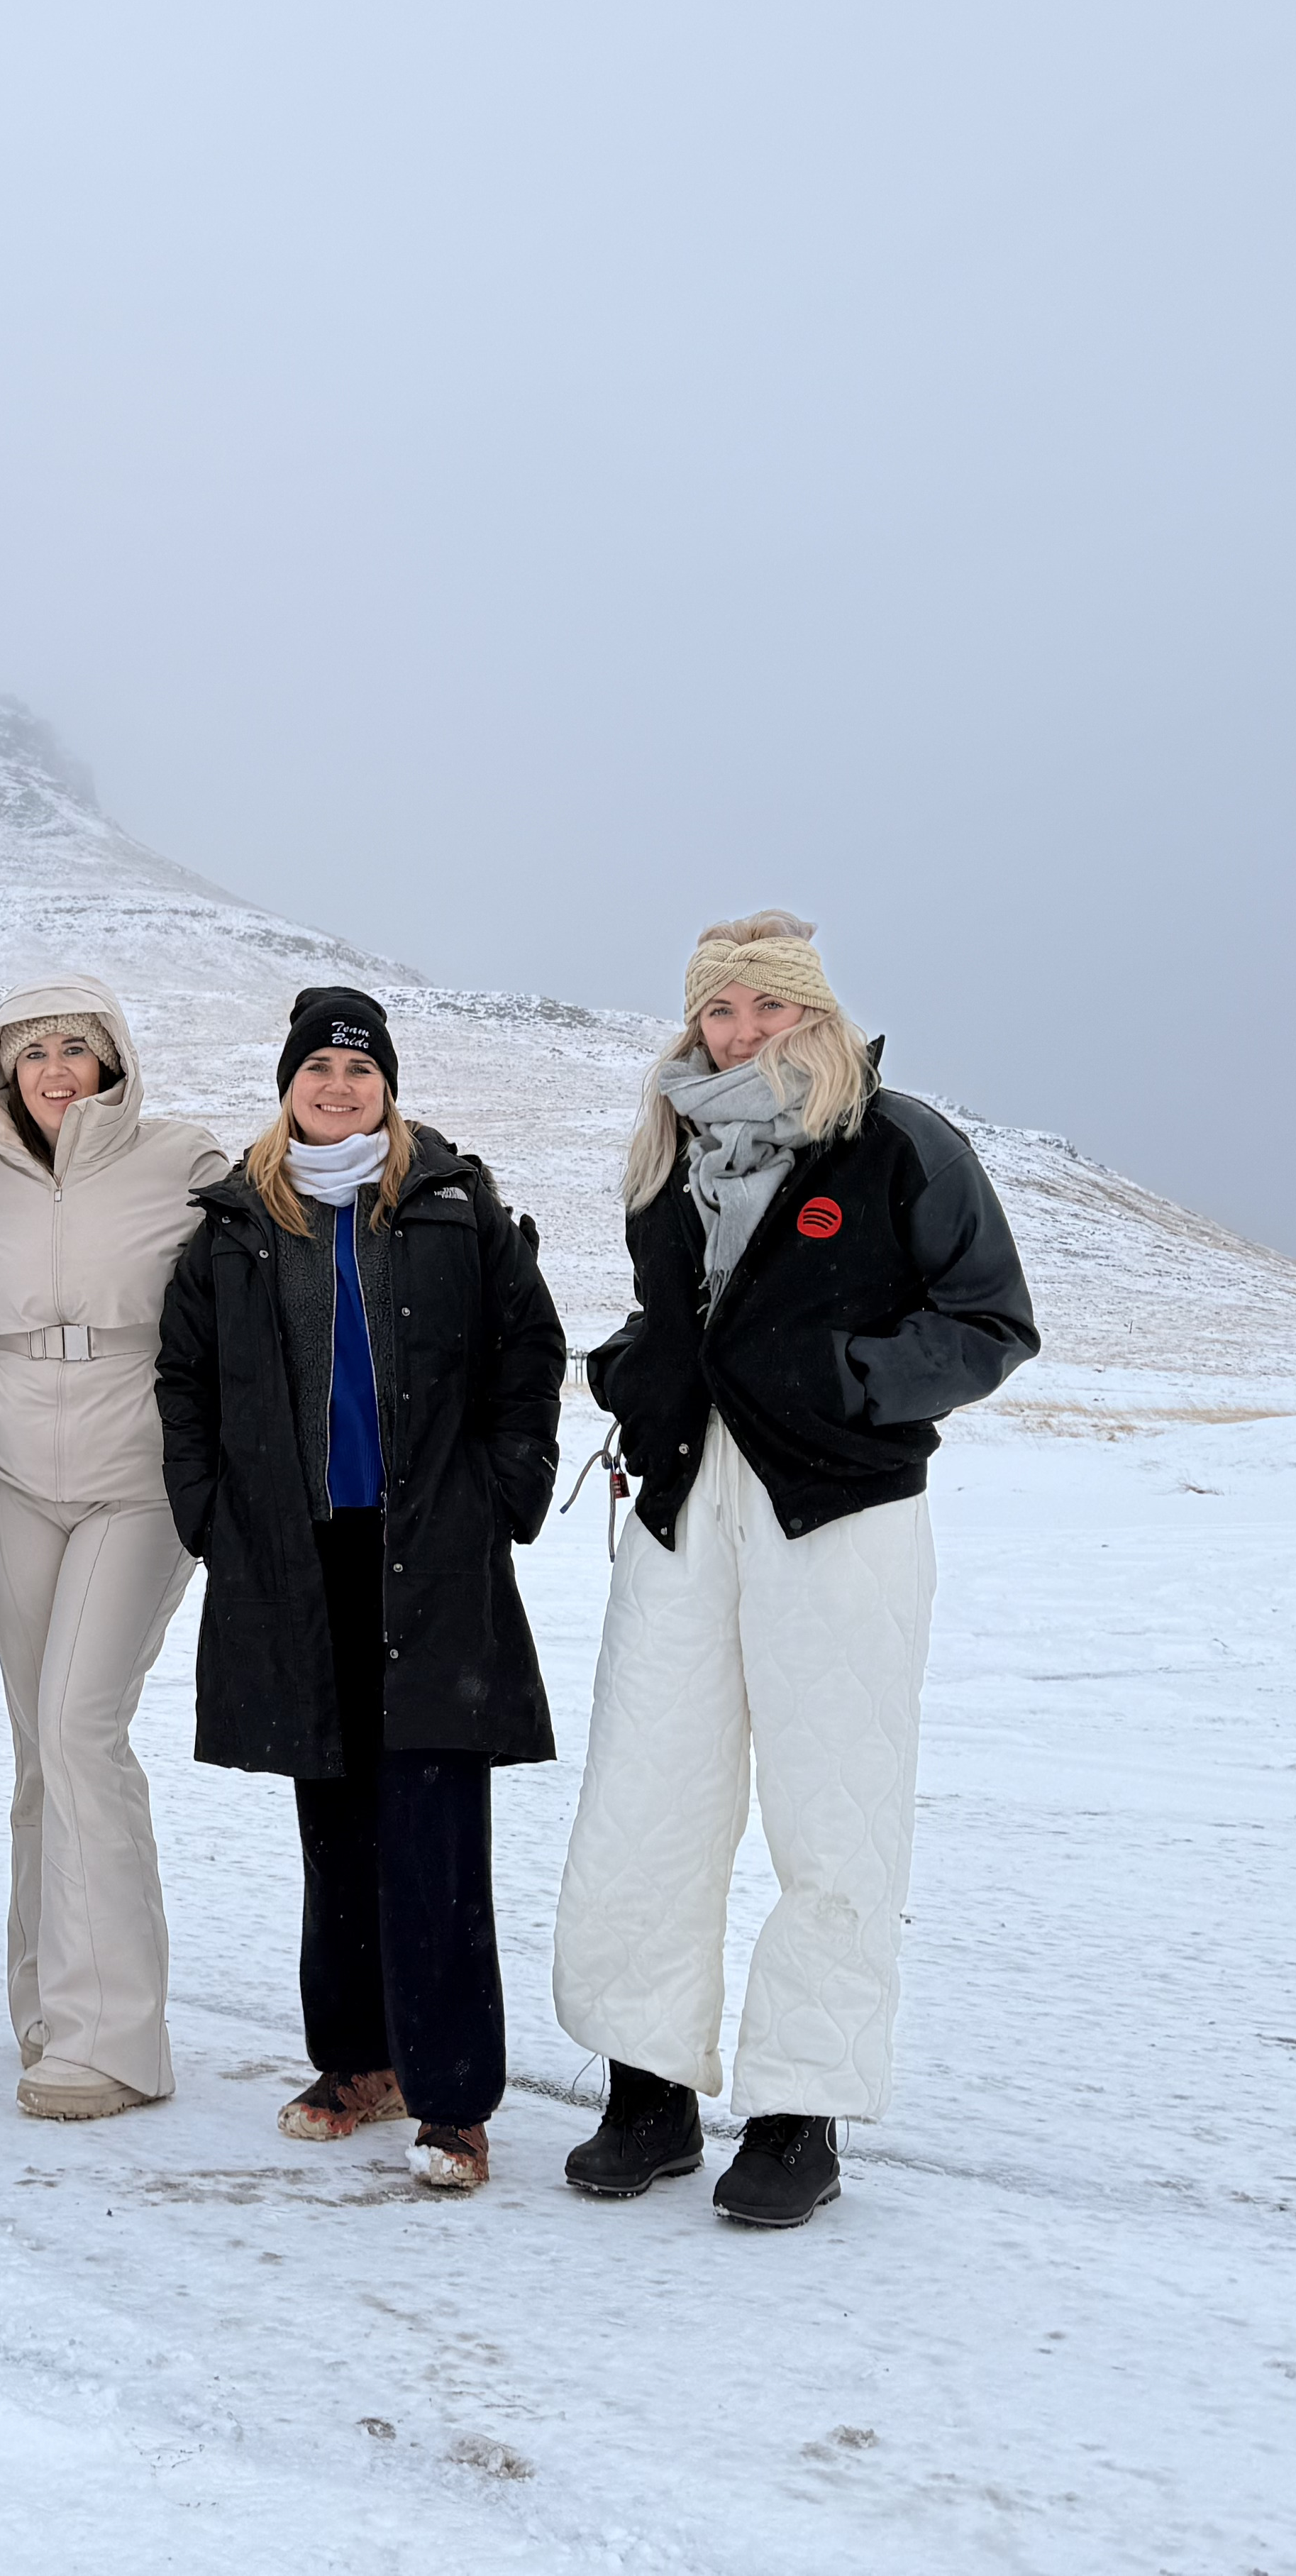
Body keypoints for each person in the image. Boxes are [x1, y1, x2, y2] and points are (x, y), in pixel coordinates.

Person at [552, 914, 1037, 2226]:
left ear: (815, 1015)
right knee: (649, 1792)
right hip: (684, 1501)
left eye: (770, 1007)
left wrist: (848, 1383)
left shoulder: (896, 1141)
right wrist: (631, 1366)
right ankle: (647, 2090)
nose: (744, 1031)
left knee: (837, 1805)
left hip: (838, 1507)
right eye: (722, 1010)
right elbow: (693, 1321)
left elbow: (993, 1321)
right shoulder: (670, 1144)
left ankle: (797, 2110)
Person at [157, 985, 564, 2191]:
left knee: (433, 1824)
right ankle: (358, 2065)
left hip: (429, 1549)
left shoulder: (451, 1205)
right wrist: (211, 1514)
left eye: (360, 1073)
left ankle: (453, 2102)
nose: (338, 1089)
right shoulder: (237, 1220)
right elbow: (183, 1381)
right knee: (333, 1825)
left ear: (388, 1087)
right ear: (287, 1087)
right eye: (318, 1072)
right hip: (297, 1555)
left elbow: (528, 1352)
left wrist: (503, 1490)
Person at [0, 975, 228, 2120]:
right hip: (7, 1472)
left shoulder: (183, 1161)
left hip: (137, 1476)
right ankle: (48, 2018)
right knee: (34, 1746)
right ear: (4, 1071)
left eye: (76, 1046)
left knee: (80, 1727)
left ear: (112, 1060)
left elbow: (267, 1277)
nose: (55, 1068)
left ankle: (116, 2044)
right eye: (31, 1051)